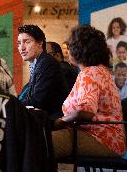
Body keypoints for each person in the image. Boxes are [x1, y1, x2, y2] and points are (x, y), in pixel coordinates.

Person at [53, 25, 126, 159]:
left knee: (39, 143)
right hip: (110, 140)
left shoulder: (90, 73)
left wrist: (58, 122)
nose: (68, 49)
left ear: (79, 50)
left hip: (101, 138)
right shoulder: (101, 71)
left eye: (71, 45)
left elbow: (84, 112)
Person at [17, 24, 68, 118]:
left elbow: (37, 101)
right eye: (19, 43)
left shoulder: (47, 63)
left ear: (40, 43)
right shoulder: (39, 63)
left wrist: (11, 104)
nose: (22, 48)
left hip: (52, 122)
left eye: (27, 42)